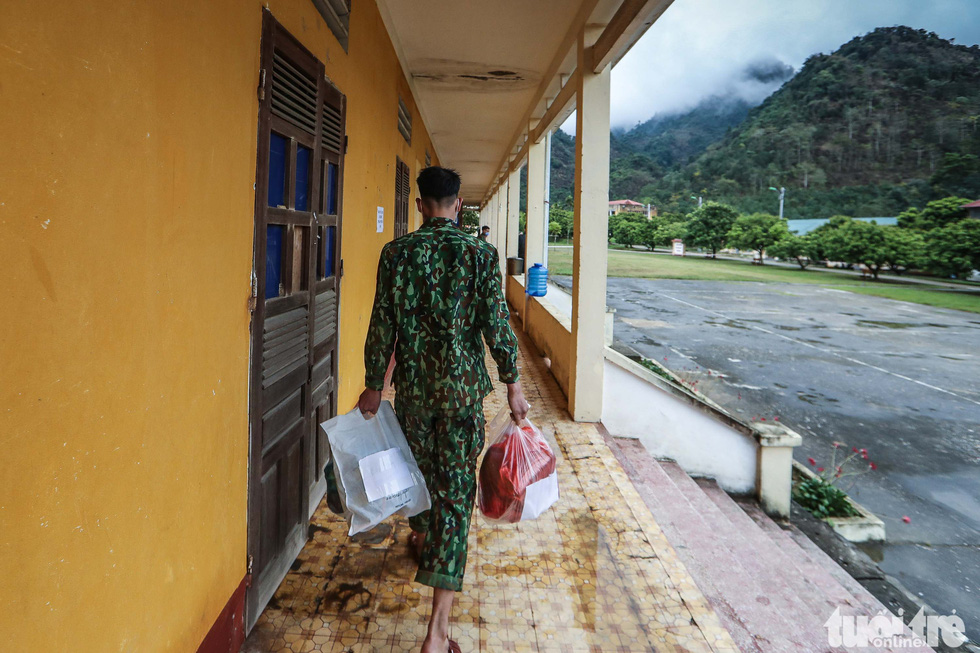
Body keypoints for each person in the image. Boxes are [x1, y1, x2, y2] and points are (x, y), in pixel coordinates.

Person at [358, 166, 529, 653]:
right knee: (454, 495)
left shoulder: (396, 254)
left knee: (418, 475)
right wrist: (513, 384)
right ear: (458, 205)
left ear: (419, 204)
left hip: (413, 394)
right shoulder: (479, 253)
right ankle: (436, 635)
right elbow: (496, 324)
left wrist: (375, 384)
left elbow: (381, 324)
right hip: (461, 399)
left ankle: (422, 536)